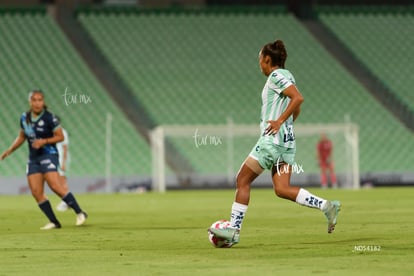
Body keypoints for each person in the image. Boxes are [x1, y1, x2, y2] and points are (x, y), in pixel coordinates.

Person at [209, 40, 341, 245]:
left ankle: (234, 231)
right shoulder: (288, 76)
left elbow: (298, 99)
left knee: (242, 180)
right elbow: (295, 107)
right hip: (286, 143)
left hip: (272, 141)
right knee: (282, 189)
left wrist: (279, 122)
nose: (259, 63)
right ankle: (327, 206)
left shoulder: (275, 76)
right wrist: (286, 125)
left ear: (267, 59)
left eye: (260, 59)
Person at [0, 90, 87, 230]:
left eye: (40, 100)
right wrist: (9, 150)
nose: (37, 103)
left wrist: (44, 141)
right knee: (36, 191)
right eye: (34, 100)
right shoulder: (25, 118)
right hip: (33, 158)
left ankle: (80, 212)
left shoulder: (49, 118)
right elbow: (22, 136)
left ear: (43, 102)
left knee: (55, 185)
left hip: (49, 154)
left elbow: (60, 137)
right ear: (30, 102)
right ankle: (54, 222)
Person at [55, 116, 71, 212]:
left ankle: (65, 201)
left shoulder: (62, 132)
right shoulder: (52, 132)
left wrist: (64, 163)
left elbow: (65, 148)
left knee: (61, 181)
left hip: (61, 159)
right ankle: (67, 201)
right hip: (56, 159)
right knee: (59, 181)